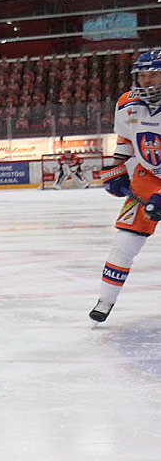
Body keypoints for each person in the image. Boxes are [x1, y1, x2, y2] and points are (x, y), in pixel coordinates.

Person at [90, 49, 161, 323]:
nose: (147, 81)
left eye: (153, 74)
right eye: (143, 75)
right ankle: (104, 300)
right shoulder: (127, 103)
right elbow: (126, 140)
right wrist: (116, 168)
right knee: (124, 243)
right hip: (147, 177)